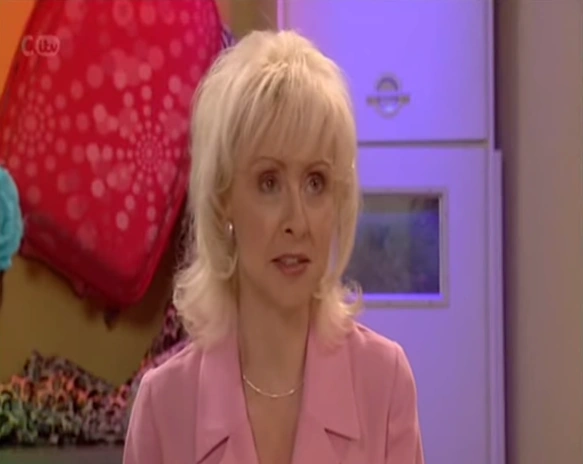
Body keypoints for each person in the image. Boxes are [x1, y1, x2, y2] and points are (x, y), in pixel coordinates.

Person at [123, 29, 424, 464]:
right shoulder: (164, 405)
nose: (297, 221)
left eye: (316, 183)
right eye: (269, 183)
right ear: (223, 198)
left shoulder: (385, 383)